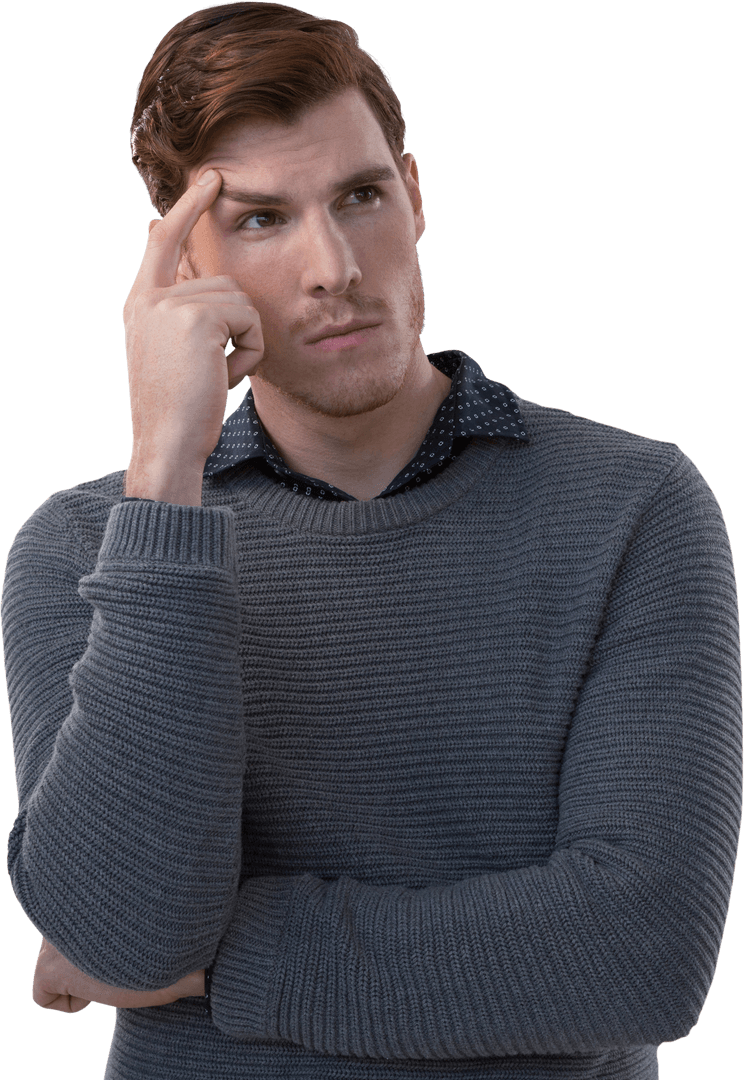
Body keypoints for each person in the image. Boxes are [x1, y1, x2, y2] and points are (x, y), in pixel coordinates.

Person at [3, 3, 741, 1079]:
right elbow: (132, 933)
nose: (333, 266)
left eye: (360, 196)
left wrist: (216, 963)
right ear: (181, 264)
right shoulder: (88, 543)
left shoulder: (633, 504)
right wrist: (164, 474)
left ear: (416, 192)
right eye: (260, 219)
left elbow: (641, 957)